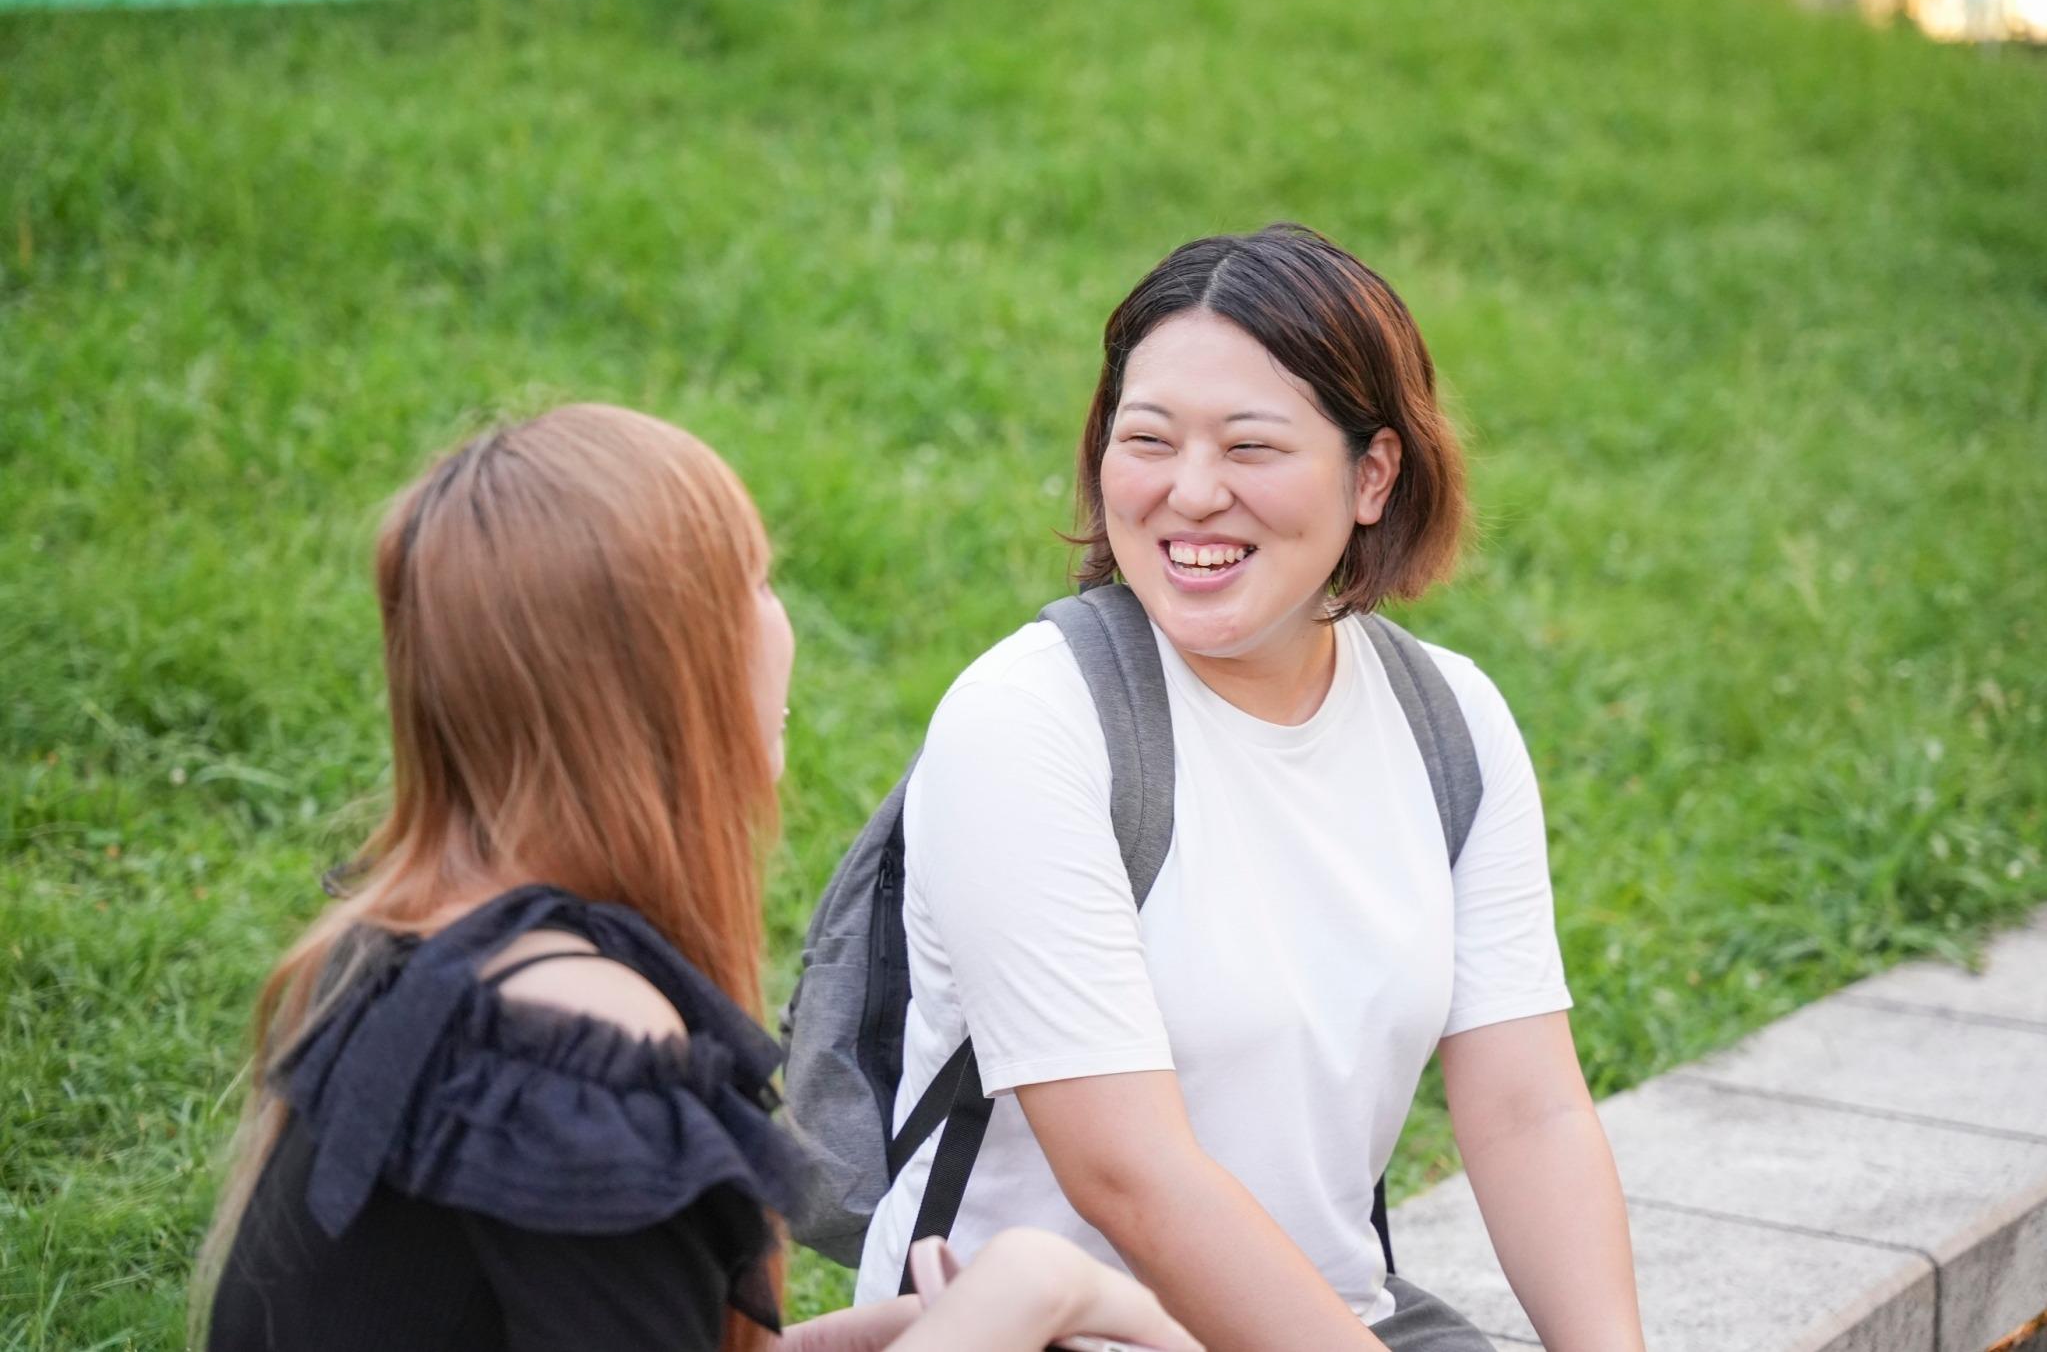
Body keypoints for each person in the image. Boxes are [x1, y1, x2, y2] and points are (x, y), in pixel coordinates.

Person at [193, 404, 1200, 1352]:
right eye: (753, 582)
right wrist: (1035, 1286)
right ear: (660, 674)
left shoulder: (404, 952)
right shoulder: (572, 1051)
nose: (780, 625)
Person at [853, 226, 1648, 1350]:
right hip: (1041, 1334)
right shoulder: (1030, 721)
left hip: (1335, 1322)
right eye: (1147, 440)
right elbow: (1129, 1174)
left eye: (1250, 447)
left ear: (1372, 475)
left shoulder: (1449, 724)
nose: (1189, 493)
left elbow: (1529, 1110)